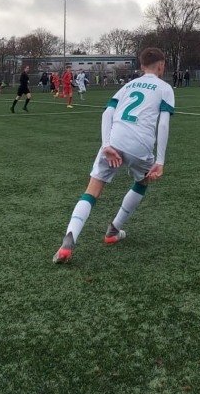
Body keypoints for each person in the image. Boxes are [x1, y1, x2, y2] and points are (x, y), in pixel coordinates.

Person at [53, 47, 174, 262]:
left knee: (92, 190)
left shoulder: (128, 86)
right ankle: (113, 229)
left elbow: (107, 113)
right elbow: (163, 124)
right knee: (142, 182)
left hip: (115, 141)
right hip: (140, 146)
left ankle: (69, 238)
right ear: (161, 65)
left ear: (141, 66)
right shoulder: (164, 88)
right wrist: (160, 161)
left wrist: (106, 145)